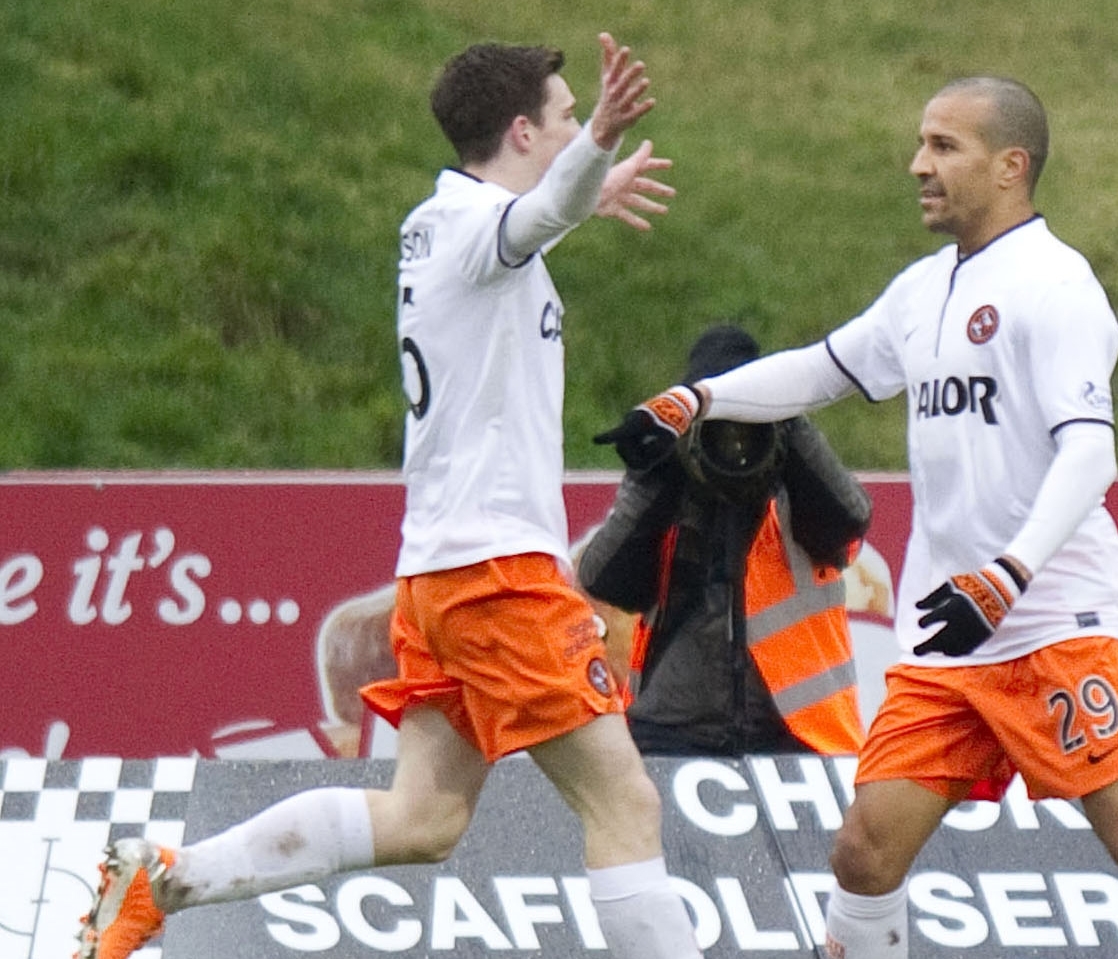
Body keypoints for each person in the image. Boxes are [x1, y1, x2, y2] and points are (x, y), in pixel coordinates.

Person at [597, 76, 1118, 959]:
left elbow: (1090, 455)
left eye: (943, 147)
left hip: (1055, 622)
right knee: (863, 853)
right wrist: (692, 400)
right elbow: (820, 369)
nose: (916, 166)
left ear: (1010, 166)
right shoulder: (922, 290)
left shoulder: (1055, 286)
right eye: (920, 145)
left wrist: (1006, 574)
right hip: (952, 638)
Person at [77, 34, 703, 959]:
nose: (578, 129)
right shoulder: (470, 228)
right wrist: (598, 148)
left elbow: (526, 225)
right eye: (568, 119)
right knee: (624, 799)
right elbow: (525, 224)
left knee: (424, 816)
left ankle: (165, 880)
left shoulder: (450, 223)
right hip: (497, 573)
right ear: (526, 131)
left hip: (442, 573)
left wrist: (577, 193)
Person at [582, 324, 873, 755]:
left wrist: (786, 420)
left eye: (746, 420)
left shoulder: (799, 485)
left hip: (800, 726)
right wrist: (656, 469)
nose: (734, 438)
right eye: (719, 422)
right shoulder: (670, 485)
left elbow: (849, 519)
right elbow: (607, 579)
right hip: (674, 722)